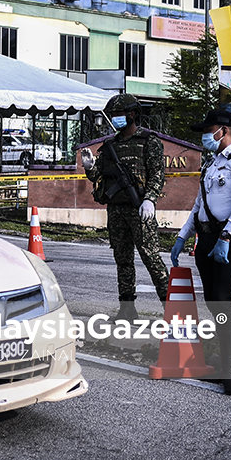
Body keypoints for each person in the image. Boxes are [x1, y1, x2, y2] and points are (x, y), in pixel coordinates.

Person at [169, 108, 231, 396]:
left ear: (223, 130)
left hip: (230, 239)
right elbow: (200, 205)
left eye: (209, 130)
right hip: (207, 239)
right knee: (214, 302)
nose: (206, 136)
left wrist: (226, 235)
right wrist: (183, 236)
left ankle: (230, 371)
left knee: (224, 300)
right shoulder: (211, 164)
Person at [81, 94, 168, 321]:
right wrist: (90, 167)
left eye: (119, 115)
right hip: (116, 210)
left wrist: (150, 198)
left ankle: (172, 310)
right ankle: (127, 308)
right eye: (114, 116)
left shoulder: (149, 142)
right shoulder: (111, 146)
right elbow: (97, 176)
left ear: (132, 114)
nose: (116, 119)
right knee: (123, 260)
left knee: (151, 258)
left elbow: (158, 174)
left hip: (140, 209)